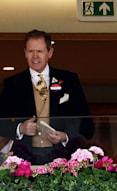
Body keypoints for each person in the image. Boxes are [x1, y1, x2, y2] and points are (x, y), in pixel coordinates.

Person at [0, 29, 91, 165]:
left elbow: (86, 122)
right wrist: (20, 128)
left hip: (62, 156)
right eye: (31, 51)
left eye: (40, 51)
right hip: (25, 157)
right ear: (25, 53)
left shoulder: (69, 80)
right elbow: (1, 121)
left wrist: (65, 137)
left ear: (50, 53)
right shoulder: (13, 83)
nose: (35, 56)